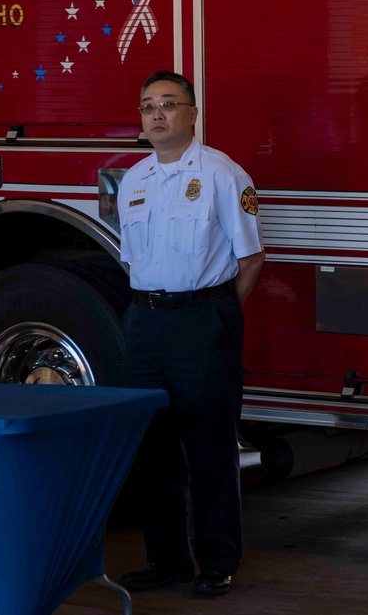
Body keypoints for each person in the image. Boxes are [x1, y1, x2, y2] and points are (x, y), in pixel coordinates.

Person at [115, 70, 265, 597]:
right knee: (151, 448)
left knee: (210, 448)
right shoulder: (133, 180)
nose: (157, 115)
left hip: (202, 321)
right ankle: (167, 561)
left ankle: (217, 562)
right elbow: (132, 259)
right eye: (148, 106)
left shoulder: (225, 175)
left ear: (193, 113)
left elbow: (250, 259)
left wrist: (211, 312)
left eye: (169, 104)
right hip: (144, 323)